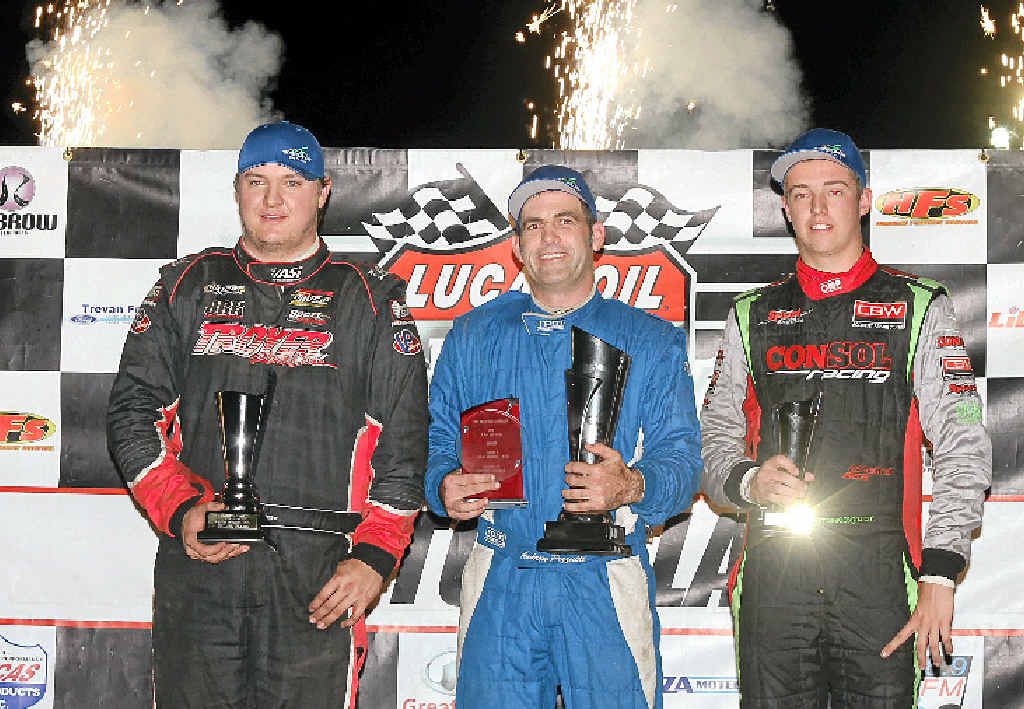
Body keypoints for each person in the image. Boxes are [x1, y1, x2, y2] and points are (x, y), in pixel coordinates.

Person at [107, 121, 428, 707]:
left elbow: (403, 446)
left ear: (323, 192)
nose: (273, 199)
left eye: (292, 182)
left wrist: (375, 556)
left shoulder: (369, 297)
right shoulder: (186, 284)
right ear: (237, 190)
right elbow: (132, 415)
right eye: (257, 181)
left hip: (319, 575)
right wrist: (180, 509)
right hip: (202, 565)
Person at [701, 128, 991, 708]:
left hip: (879, 569)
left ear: (863, 201)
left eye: (834, 190)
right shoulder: (751, 313)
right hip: (775, 569)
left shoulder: (919, 305)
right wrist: (749, 481)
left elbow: (963, 442)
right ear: (785, 209)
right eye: (801, 194)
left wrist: (939, 574)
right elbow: (713, 440)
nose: (818, 207)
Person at [424, 165, 702, 709]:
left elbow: (683, 458)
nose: (548, 236)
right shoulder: (475, 333)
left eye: (565, 221)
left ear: (596, 236)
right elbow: (438, 440)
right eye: (532, 226)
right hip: (501, 574)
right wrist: (443, 485)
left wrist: (632, 485)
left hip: (604, 576)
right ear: (517, 248)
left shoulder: (649, 338)